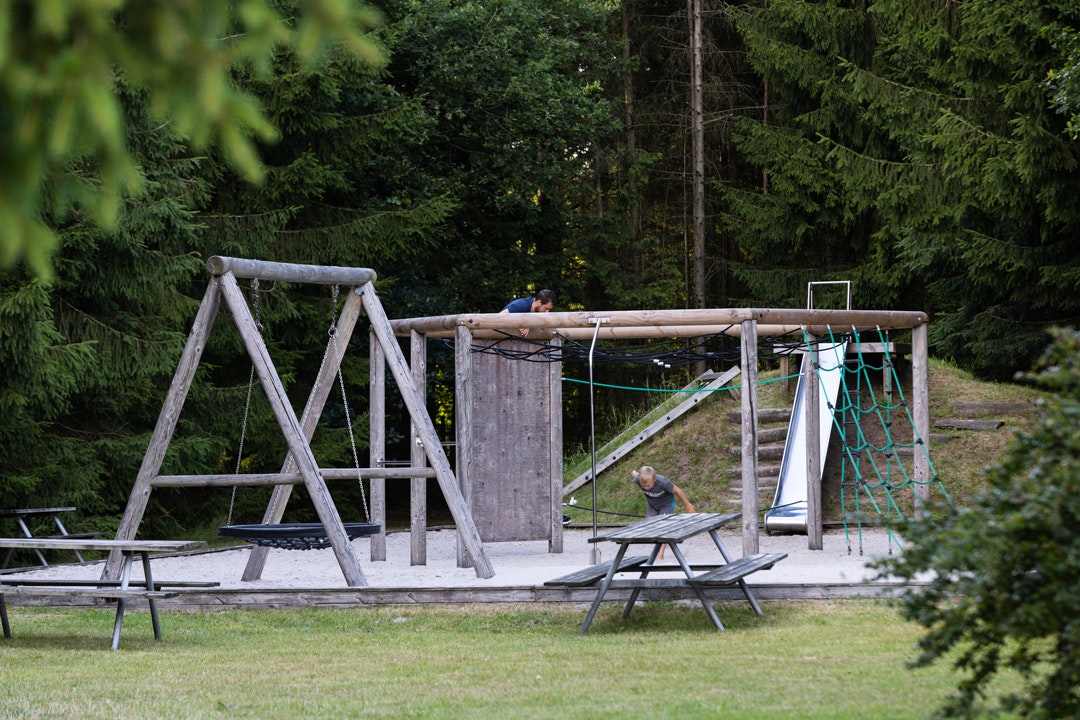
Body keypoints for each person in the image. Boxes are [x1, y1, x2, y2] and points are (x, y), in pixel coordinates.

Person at [631, 465, 695, 560]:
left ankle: (660, 555)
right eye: (643, 486)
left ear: (654, 480)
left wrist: (687, 504)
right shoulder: (638, 479)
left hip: (666, 505)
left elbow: (678, 490)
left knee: (663, 527)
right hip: (652, 505)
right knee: (651, 525)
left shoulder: (663, 482)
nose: (646, 488)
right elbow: (634, 473)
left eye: (648, 485)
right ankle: (666, 540)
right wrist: (634, 473)